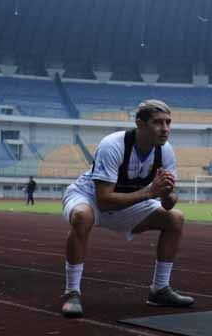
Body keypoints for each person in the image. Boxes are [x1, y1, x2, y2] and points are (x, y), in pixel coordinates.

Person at [60, 100, 193, 318]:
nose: (165, 128)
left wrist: (168, 193)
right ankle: (72, 292)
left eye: (168, 122)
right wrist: (151, 193)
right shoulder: (113, 145)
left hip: (128, 202)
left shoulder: (165, 151)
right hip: (89, 197)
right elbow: (103, 201)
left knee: (175, 219)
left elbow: (168, 204)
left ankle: (159, 289)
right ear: (140, 124)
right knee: (83, 217)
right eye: (158, 122)